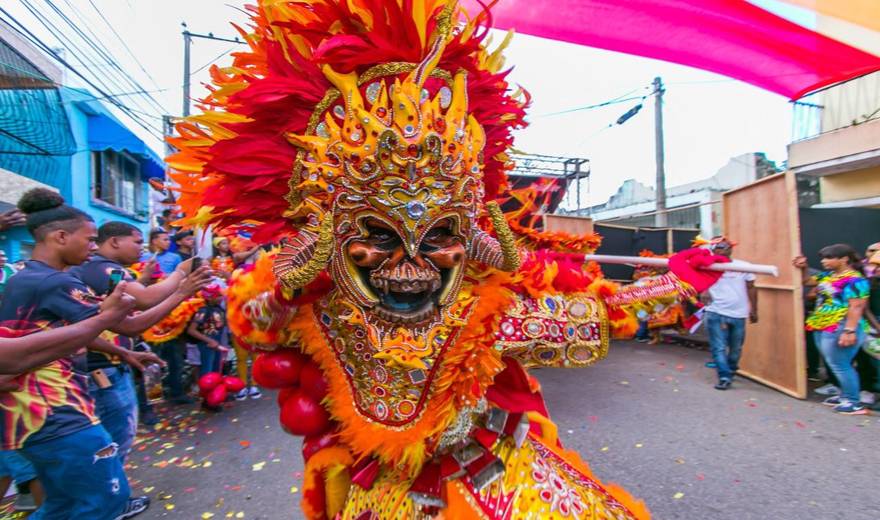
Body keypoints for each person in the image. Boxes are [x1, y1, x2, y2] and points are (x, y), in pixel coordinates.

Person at [0, 188, 208, 519]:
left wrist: (123, 350)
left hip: (32, 415)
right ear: (61, 236)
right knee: (104, 499)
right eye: (90, 239)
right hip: (57, 413)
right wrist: (182, 288)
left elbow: (72, 333)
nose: (94, 248)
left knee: (63, 504)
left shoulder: (22, 274)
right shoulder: (55, 282)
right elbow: (130, 322)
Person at [70, 221, 208, 457]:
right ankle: (112, 492)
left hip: (111, 363)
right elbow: (144, 301)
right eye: (136, 242)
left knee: (113, 440)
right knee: (113, 442)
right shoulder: (105, 268)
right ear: (114, 242)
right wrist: (181, 275)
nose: (141, 249)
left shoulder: (100, 268)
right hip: (102, 370)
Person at [800, 244, 870, 415]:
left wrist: (849, 331)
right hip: (823, 323)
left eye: (828, 257)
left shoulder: (856, 280)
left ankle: (854, 402)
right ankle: (844, 395)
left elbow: (857, 307)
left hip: (841, 325)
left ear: (844, 259)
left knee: (840, 364)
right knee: (834, 362)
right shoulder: (828, 276)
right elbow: (807, 281)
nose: (824, 261)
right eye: (823, 258)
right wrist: (804, 267)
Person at [703, 237, 757, 390]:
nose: (719, 250)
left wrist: (754, 309)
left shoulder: (744, 266)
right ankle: (724, 377)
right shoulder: (708, 266)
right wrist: (705, 290)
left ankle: (731, 369)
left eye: (722, 247)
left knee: (736, 348)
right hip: (715, 311)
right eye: (716, 247)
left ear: (730, 249)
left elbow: (752, 287)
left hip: (738, 313)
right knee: (718, 347)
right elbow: (697, 280)